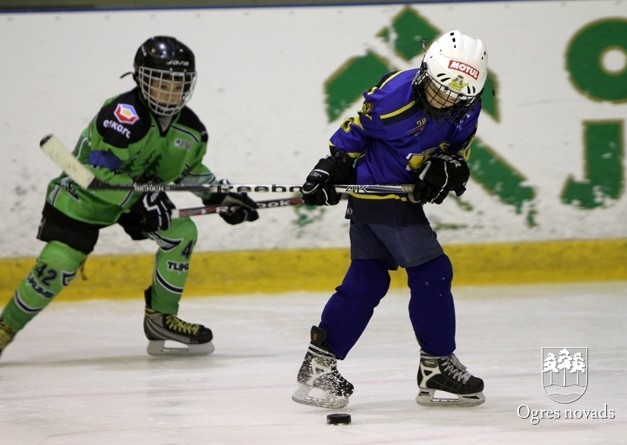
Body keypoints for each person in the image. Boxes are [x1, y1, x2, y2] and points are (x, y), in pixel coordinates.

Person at [0, 36, 259, 359]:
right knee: (58, 266)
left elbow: (189, 170)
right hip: (83, 197)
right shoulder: (122, 115)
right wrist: (140, 200)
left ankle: (161, 320)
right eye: (161, 83)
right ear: (141, 80)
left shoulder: (192, 130)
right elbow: (95, 176)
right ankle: (5, 328)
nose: (170, 93)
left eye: (178, 85)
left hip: (137, 197)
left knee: (181, 233)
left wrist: (220, 195)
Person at [292, 30, 488, 409]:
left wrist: (448, 168)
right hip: (381, 195)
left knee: (366, 279)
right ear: (424, 73)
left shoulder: (467, 105)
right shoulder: (393, 96)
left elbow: (456, 150)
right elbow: (356, 133)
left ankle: (320, 364)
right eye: (440, 89)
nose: (446, 101)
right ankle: (436, 363)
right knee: (433, 271)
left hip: (388, 202)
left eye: (457, 96)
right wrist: (329, 168)